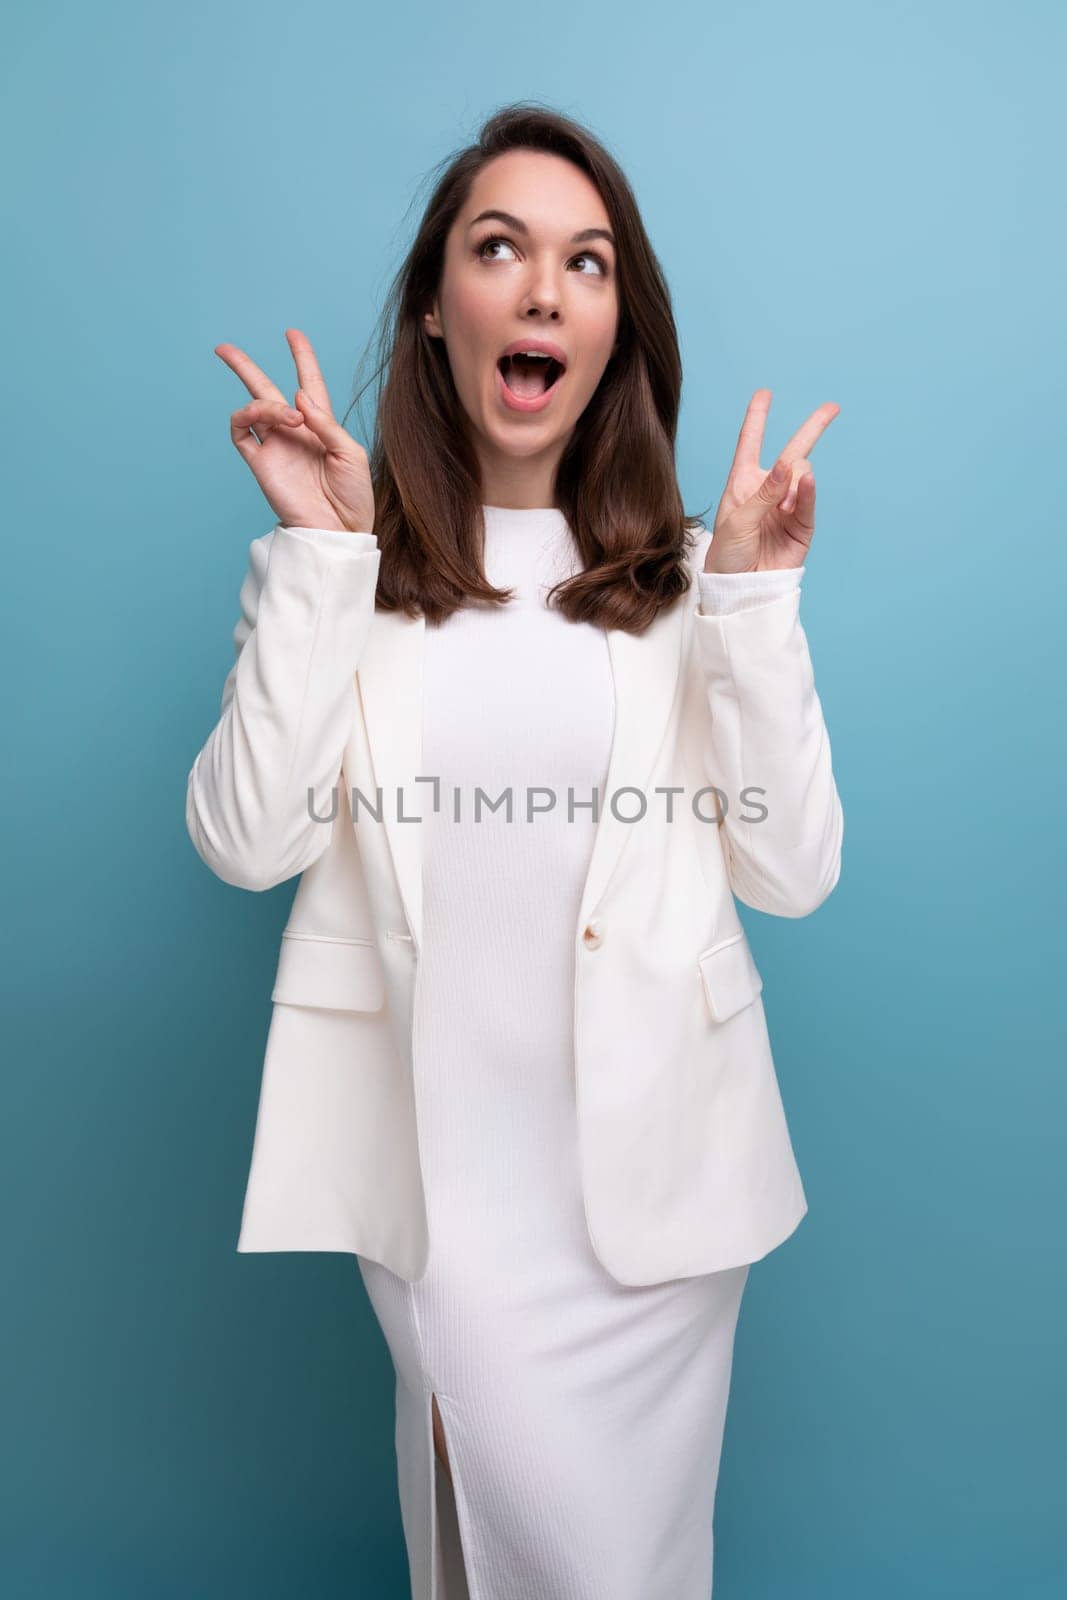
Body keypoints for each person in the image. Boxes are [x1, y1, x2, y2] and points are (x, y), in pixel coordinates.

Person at [191, 102, 843, 1600]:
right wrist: (316, 560)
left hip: (660, 1212)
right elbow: (242, 843)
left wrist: (752, 610)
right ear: (439, 307)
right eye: (502, 249)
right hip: (446, 1209)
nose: (546, 288)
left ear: (616, 326)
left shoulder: (687, 580)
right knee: (491, 1563)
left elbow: (795, 869)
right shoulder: (351, 574)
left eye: (588, 262)